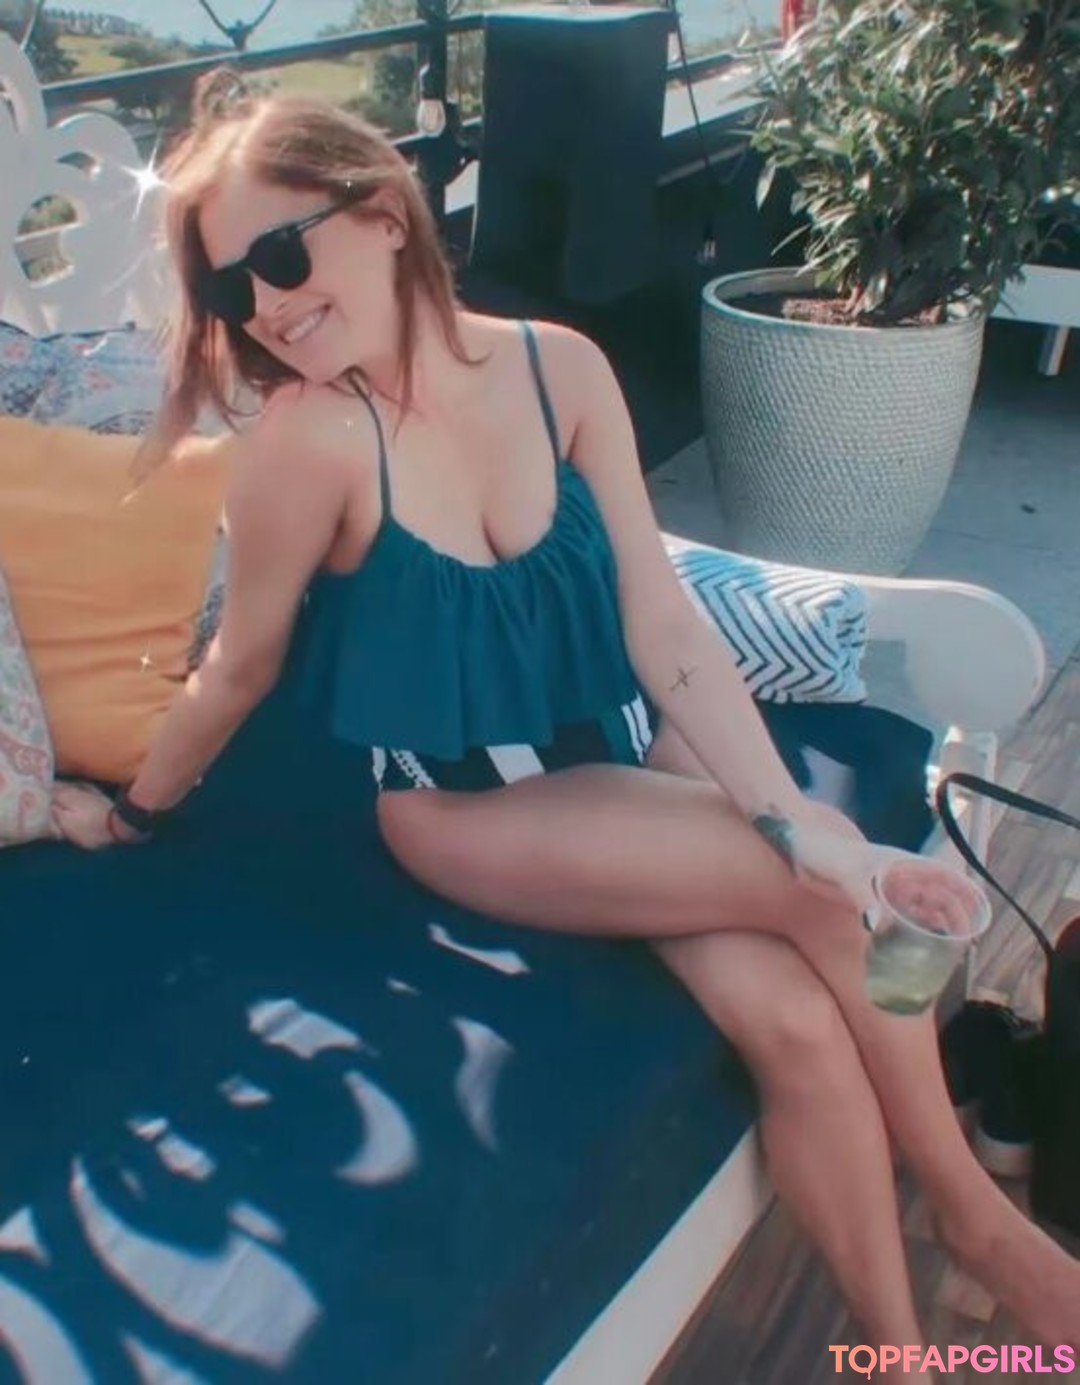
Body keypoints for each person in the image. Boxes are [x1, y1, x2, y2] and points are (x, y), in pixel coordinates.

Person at [53, 71, 1080, 1359]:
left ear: (383, 213)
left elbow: (665, 626)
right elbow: (239, 667)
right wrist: (135, 813)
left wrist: (784, 810)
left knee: (800, 1024)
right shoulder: (309, 441)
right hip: (470, 804)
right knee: (828, 895)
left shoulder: (560, 369)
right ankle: (978, 1222)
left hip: (626, 750)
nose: (265, 305)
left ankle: (895, 1355)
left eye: (279, 254)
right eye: (228, 288)